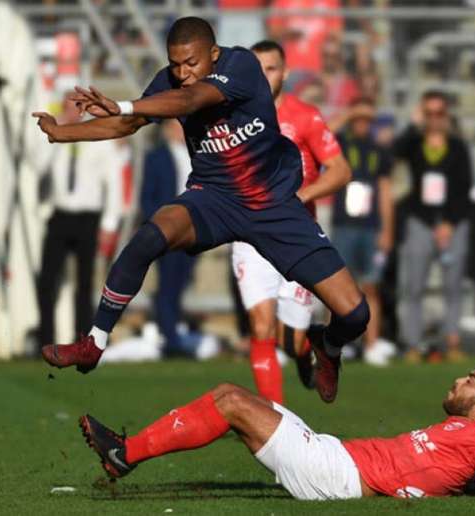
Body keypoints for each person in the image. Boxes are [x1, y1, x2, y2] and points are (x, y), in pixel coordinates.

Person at [34, 17, 369, 403]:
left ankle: (326, 345)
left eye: (191, 63)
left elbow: (190, 101)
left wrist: (124, 100)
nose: (182, 73)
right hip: (214, 198)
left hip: (273, 206)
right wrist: (62, 132)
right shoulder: (170, 81)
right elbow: (129, 123)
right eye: (175, 64)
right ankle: (94, 341)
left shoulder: (241, 64)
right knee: (148, 237)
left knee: (355, 315)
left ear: (213, 53)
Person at [79, 360, 475, 501]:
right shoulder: (464, 432)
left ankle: (126, 453)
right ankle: (126, 453)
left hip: (335, 476)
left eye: (472, 380)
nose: (461, 378)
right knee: (230, 394)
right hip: (332, 456)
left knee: (231, 403)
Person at [231, 40, 351, 403]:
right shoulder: (232, 116)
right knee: (261, 327)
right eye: (257, 68)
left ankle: (305, 348)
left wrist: (301, 195)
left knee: (291, 339)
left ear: (284, 72)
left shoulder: (305, 116)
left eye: (271, 68)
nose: (263, 76)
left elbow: (341, 170)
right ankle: (275, 418)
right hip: (250, 236)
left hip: (297, 237)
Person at [36, 91, 124, 347]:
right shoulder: (56, 136)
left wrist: (109, 224)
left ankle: (82, 341)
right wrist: (57, 132)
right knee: (47, 280)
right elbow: (39, 168)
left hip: (88, 217)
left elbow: (113, 183)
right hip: (60, 214)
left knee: (84, 284)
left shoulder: (99, 139)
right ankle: (46, 340)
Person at [393, 90, 473, 363]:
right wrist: (413, 125)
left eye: (439, 113)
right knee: (413, 285)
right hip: (421, 220)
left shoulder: (458, 146)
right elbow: (393, 153)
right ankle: (412, 344)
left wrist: (449, 223)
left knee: (453, 286)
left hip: (453, 223)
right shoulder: (414, 143)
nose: (434, 119)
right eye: (429, 113)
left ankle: (452, 341)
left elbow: (464, 188)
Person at [332, 97, 395, 366]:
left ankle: (371, 344)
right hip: (344, 224)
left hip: (369, 226)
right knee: (336, 287)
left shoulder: (378, 150)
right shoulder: (340, 144)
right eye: (358, 118)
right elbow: (322, 132)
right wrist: (348, 113)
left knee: (371, 286)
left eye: (367, 119)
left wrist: (388, 229)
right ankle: (335, 343)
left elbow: (384, 190)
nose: (362, 124)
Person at [141, 119, 197, 357]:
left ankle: (172, 328)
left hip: (194, 229)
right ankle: (170, 337)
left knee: (182, 280)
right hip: (169, 228)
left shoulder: (196, 154)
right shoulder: (156, 157)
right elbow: (148, 197)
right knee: (168, 284)